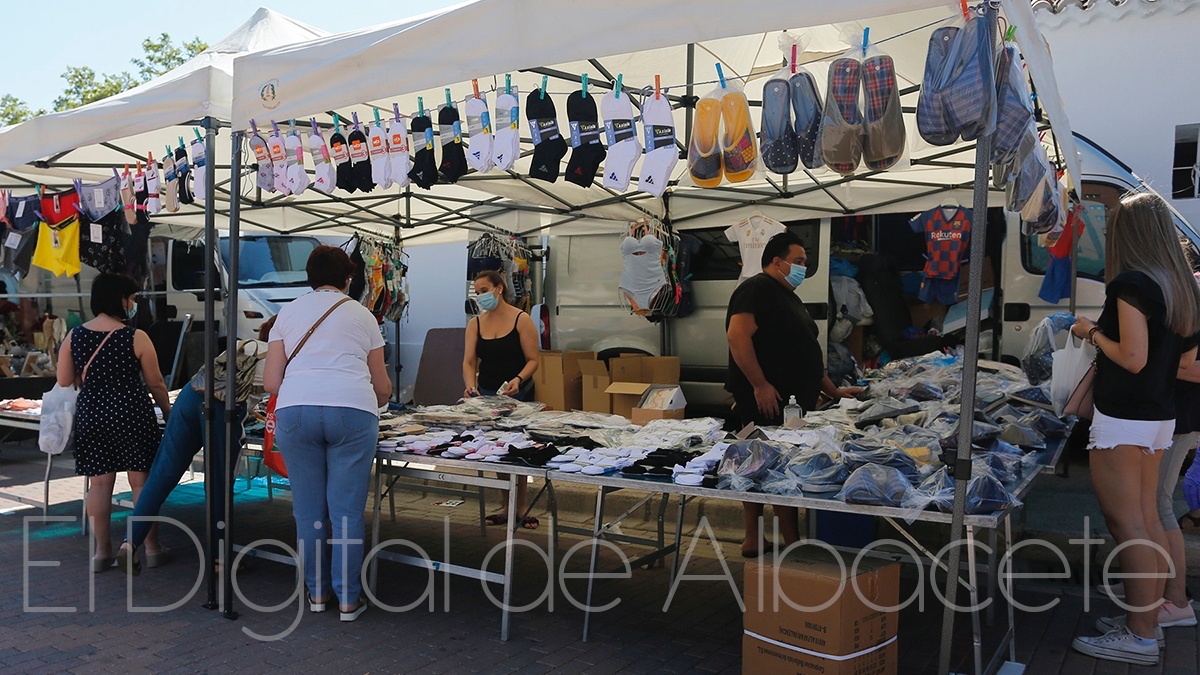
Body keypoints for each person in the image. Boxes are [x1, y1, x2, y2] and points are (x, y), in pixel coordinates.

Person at [1069, 192, 1200, 666]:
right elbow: (1184, 361)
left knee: (1130, 525)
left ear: (1128, 233)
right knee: (1145, 519)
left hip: (1125, 416)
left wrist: (1089, 332)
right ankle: (1145, 621)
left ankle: (1141, 633)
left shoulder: (1131, 284)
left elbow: (1133, 356)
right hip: (1159, 417)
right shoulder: (1181, 286)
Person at [264, 245, 391, 622]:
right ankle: (349, 600)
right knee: (347, 513)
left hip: (295, 411)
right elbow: (382, 386)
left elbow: (272, 381)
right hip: (352, 410)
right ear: (348, 278)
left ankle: (317, 594)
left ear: (309, 276)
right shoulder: (363, 315)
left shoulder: (287, 312)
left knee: (308, 512)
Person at [725, 232, 861, 557]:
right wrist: (760, 384)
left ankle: (763, 539)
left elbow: (806, 352)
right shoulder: (756, 288)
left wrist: (833, 390)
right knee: (771, 466)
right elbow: (737, 337)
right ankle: (787, 542)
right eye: (799, 262)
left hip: (790, 404)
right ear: (777, 261)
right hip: (767, 400)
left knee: (765, 465)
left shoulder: (788, 295)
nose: (803, 267)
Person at [115, 320, 271, 577]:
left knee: (161, 474)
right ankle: (220, 559)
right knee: (218, 486)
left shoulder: (242, 345)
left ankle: (130, 541)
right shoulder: (280, 357)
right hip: (223, 409)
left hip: (190, 396)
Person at [55, 273, 171, 572]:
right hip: (132, 412)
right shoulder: (135, 336)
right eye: (131, 298)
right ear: (120, 299)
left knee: (99, 484)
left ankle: (101, 553)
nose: (133, 304)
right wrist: (168, 412)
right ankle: (151, 548)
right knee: (140, 481)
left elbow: (64, 380)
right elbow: (156, 382)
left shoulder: (75, 336)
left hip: (92, 414)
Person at [462, 270, 540, 529]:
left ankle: (521, 507)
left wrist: (518, 379)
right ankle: (507, 505)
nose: (481, 296)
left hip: (518, 394)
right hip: (487, 394)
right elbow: (469, 360)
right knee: (497, 451)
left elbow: (533, 360)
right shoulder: (476, 323)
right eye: (477, 292)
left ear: (499, 288)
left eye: (484, 290)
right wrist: (470, 386)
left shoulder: (521, 319)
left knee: (518, 450)